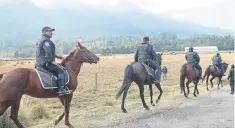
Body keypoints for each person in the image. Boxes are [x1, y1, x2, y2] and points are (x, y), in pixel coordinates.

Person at [36, 26, 70, 96]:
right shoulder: (46, 41)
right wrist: (51, 61)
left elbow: (43, 52)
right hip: (45, 63)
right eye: (50, 31)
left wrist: (57, 56)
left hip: (39, 63)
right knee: (61, 71)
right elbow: (48, 52)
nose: (51, 33)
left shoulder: (40, 40)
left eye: (51, 31)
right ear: (44, 32)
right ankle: (61, 89)